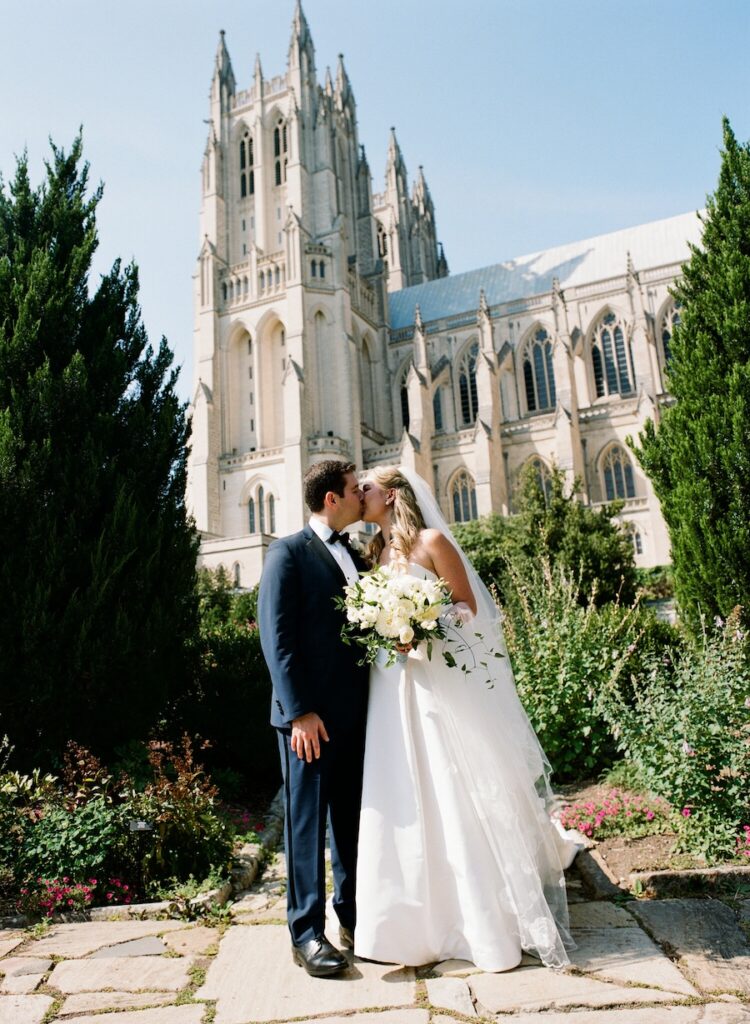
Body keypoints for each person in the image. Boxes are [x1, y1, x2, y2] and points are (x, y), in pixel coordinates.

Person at [354, 465, 578, 972]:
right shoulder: (374, 553)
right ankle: (408, 925)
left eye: (365, 487)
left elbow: (468, 607)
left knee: (451, 785)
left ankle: (481, 921)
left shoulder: (432, 541)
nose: (358, 494)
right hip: (390, 688)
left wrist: (424, 623)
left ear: (389, 496)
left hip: (434, 678)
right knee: (403, 790)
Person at [258, 460, 369, 977]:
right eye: (353, 490)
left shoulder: (356, 556)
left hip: (354, 715)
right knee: (306, 827)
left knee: (349, 821)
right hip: (308, 721)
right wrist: (300, 711)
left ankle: (353, 917)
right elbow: (276, 639)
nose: (360, 495)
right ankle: (307, 933)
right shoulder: (287, 553)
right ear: (331, 499)